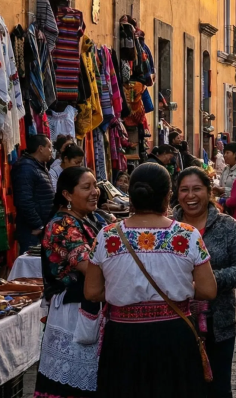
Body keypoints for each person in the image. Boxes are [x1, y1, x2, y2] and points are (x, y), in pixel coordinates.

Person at [84, 163, 218, 397]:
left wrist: (123, 289)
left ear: (132, 196)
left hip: (124, 338)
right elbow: (208, 290)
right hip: (174, 335)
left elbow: (92, 292)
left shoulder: (107, 236)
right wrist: (178, 286)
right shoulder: (187, 235)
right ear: (168, 196)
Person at [173, 167, 236, 398]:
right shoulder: (168, 228)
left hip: (219, 324)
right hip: (177, 324)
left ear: (209, 192)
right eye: (184, 190)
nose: (190, 195)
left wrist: (208, 281)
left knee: (218, 389)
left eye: (197, 189)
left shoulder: (227, 225)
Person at [34, 166, 102, 398]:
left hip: (85, 304)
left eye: (95, 186)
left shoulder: (86, 218)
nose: (95, 192)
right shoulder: (62, 225)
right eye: (86, 187)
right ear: (67, 194)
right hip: (73, 311)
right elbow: (88, 266)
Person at [13, 134, 55, 253]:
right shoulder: (26, 168)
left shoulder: (39, 167)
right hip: (32, 231)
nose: (51, 151)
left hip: (42, 228)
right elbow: (24, 200)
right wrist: (37, 225)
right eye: (49, 147)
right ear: (40, 148)